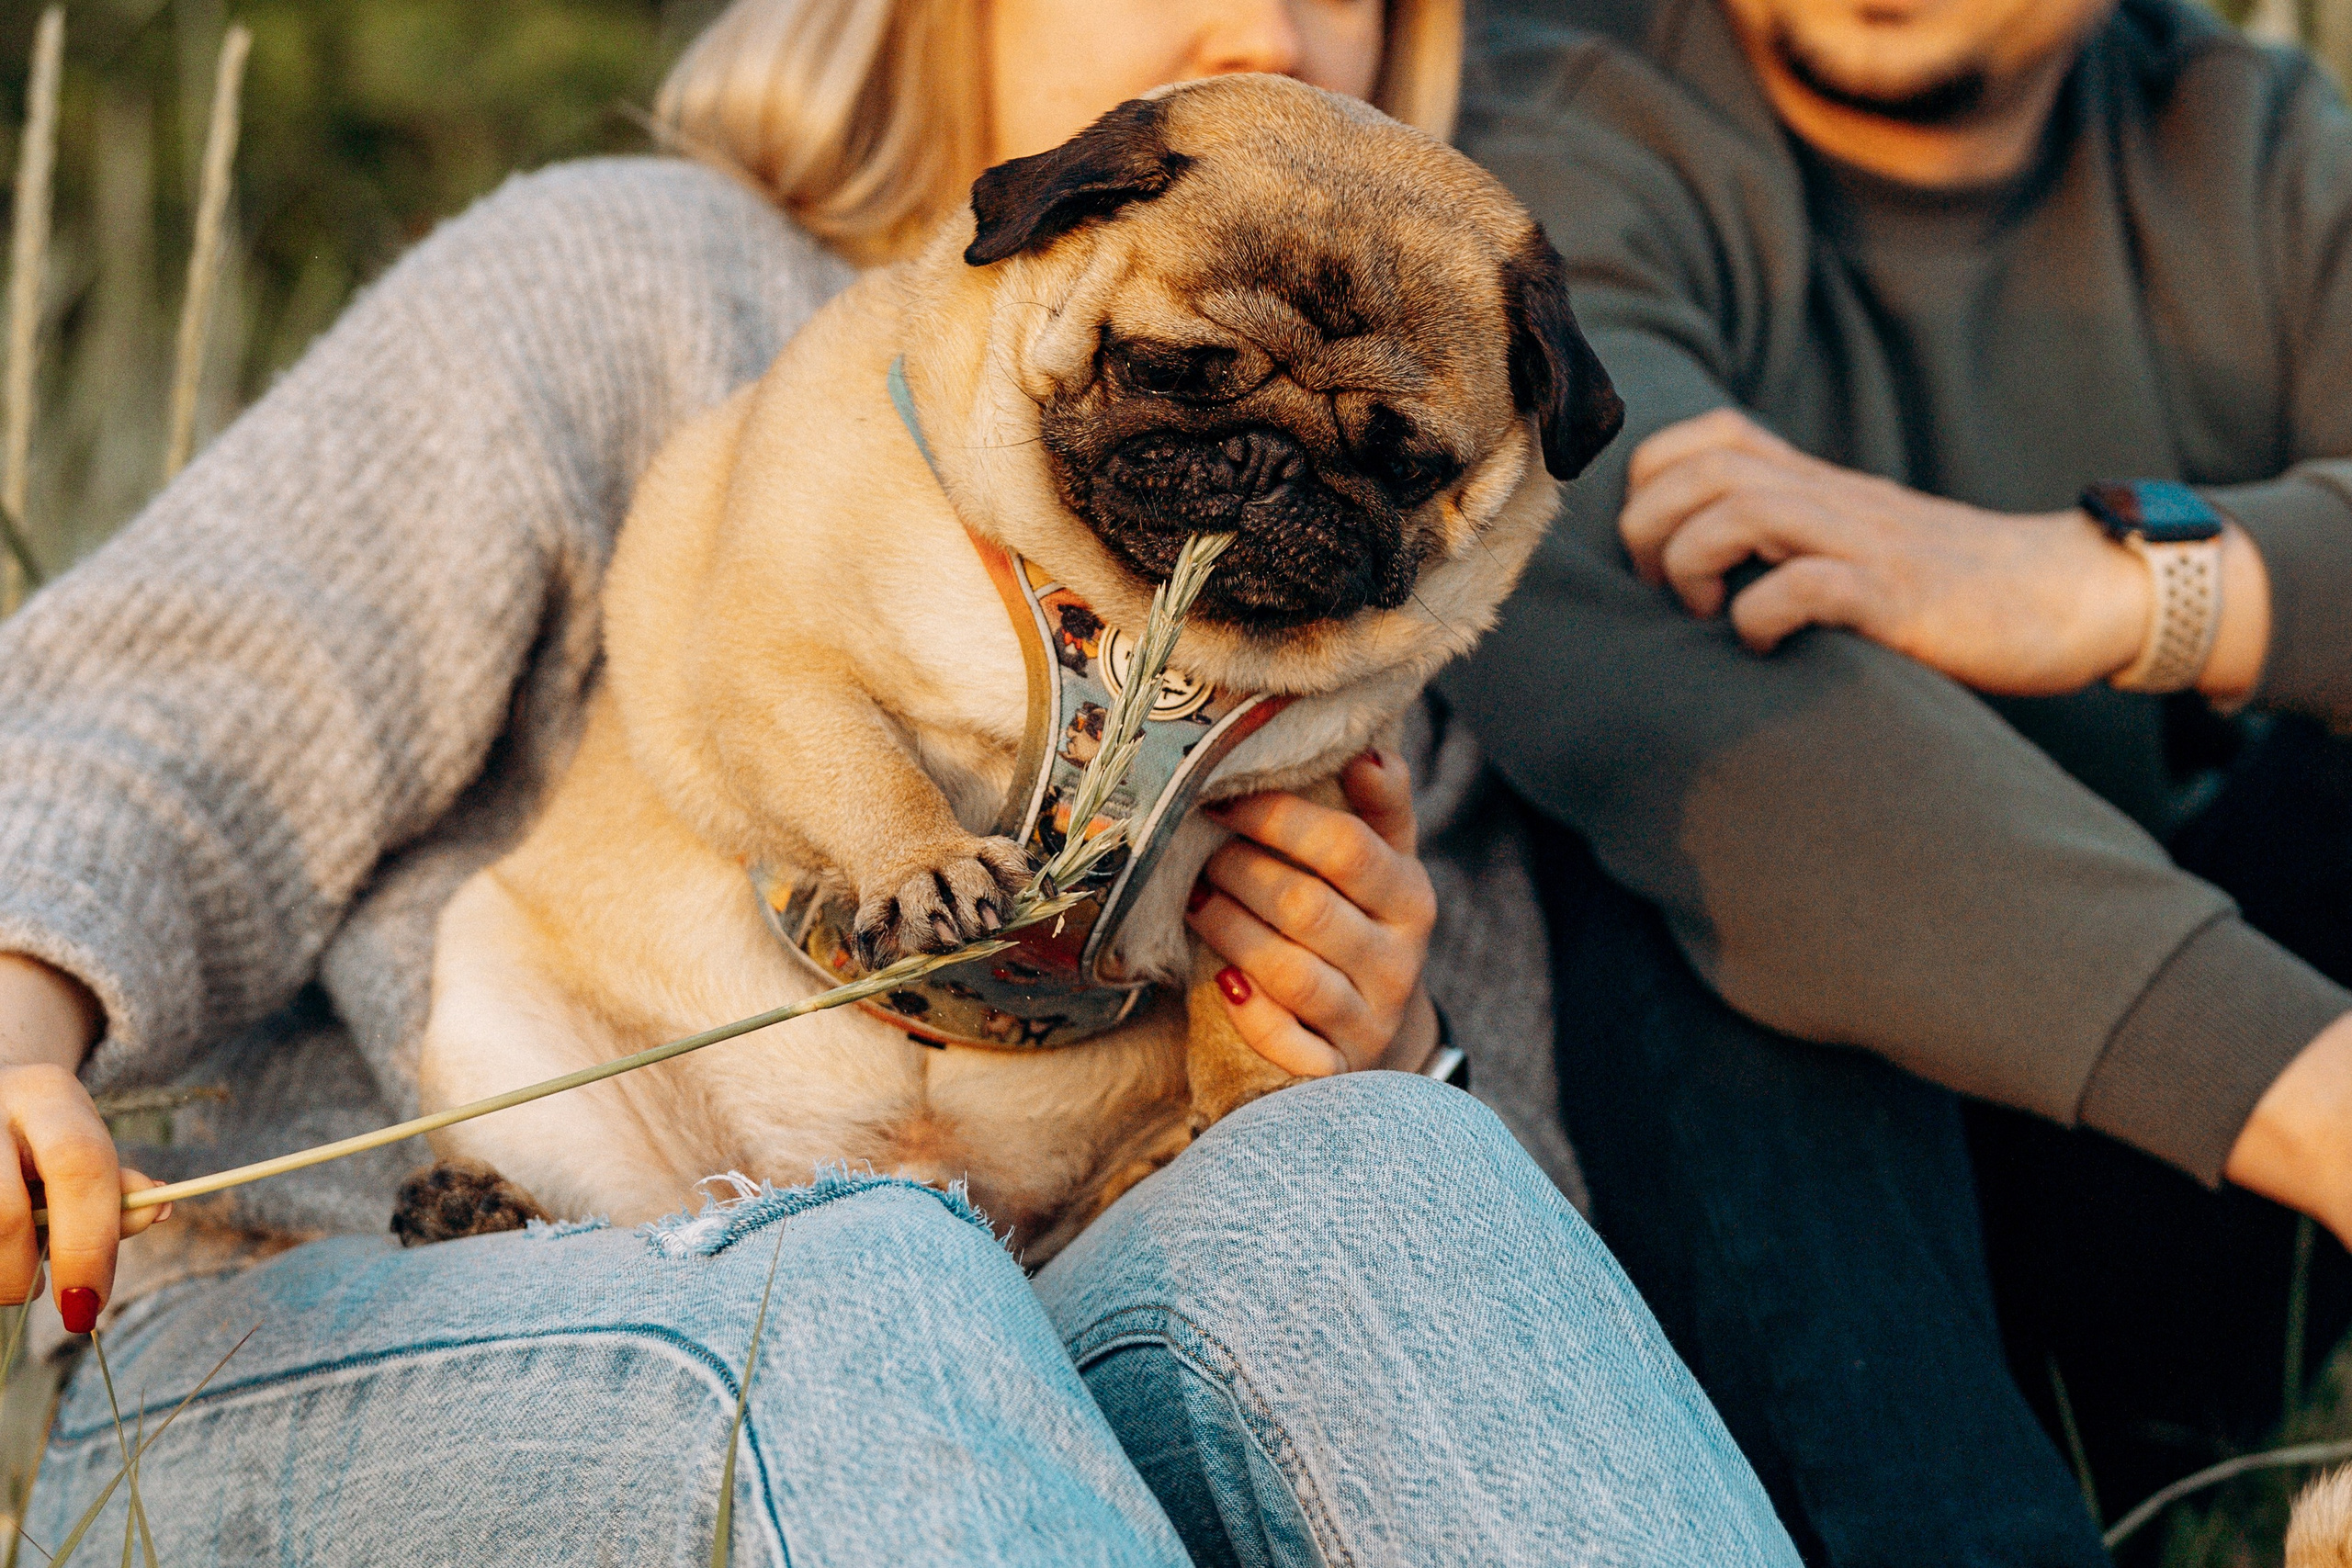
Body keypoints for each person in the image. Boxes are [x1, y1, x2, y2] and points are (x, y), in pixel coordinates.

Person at [0, 0, 1799, 1562]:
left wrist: (1381, 1041)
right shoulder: (623, 273)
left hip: (1028, 1340)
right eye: (1186, 377)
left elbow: (1512, 1283)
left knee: (1388, 1175)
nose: (1263, 26)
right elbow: (182, 703)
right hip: (387, 1298)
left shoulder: (1386, 628)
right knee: (862, 1277)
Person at [1444, 0, 2352, 1562]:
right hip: (1774, 1241)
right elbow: (1645, 663)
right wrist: (2325, 1096)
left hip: (2158, 1207)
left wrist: (2104, 588)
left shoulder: (2248, 141)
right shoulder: (1548, 124)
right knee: (1711, 849)